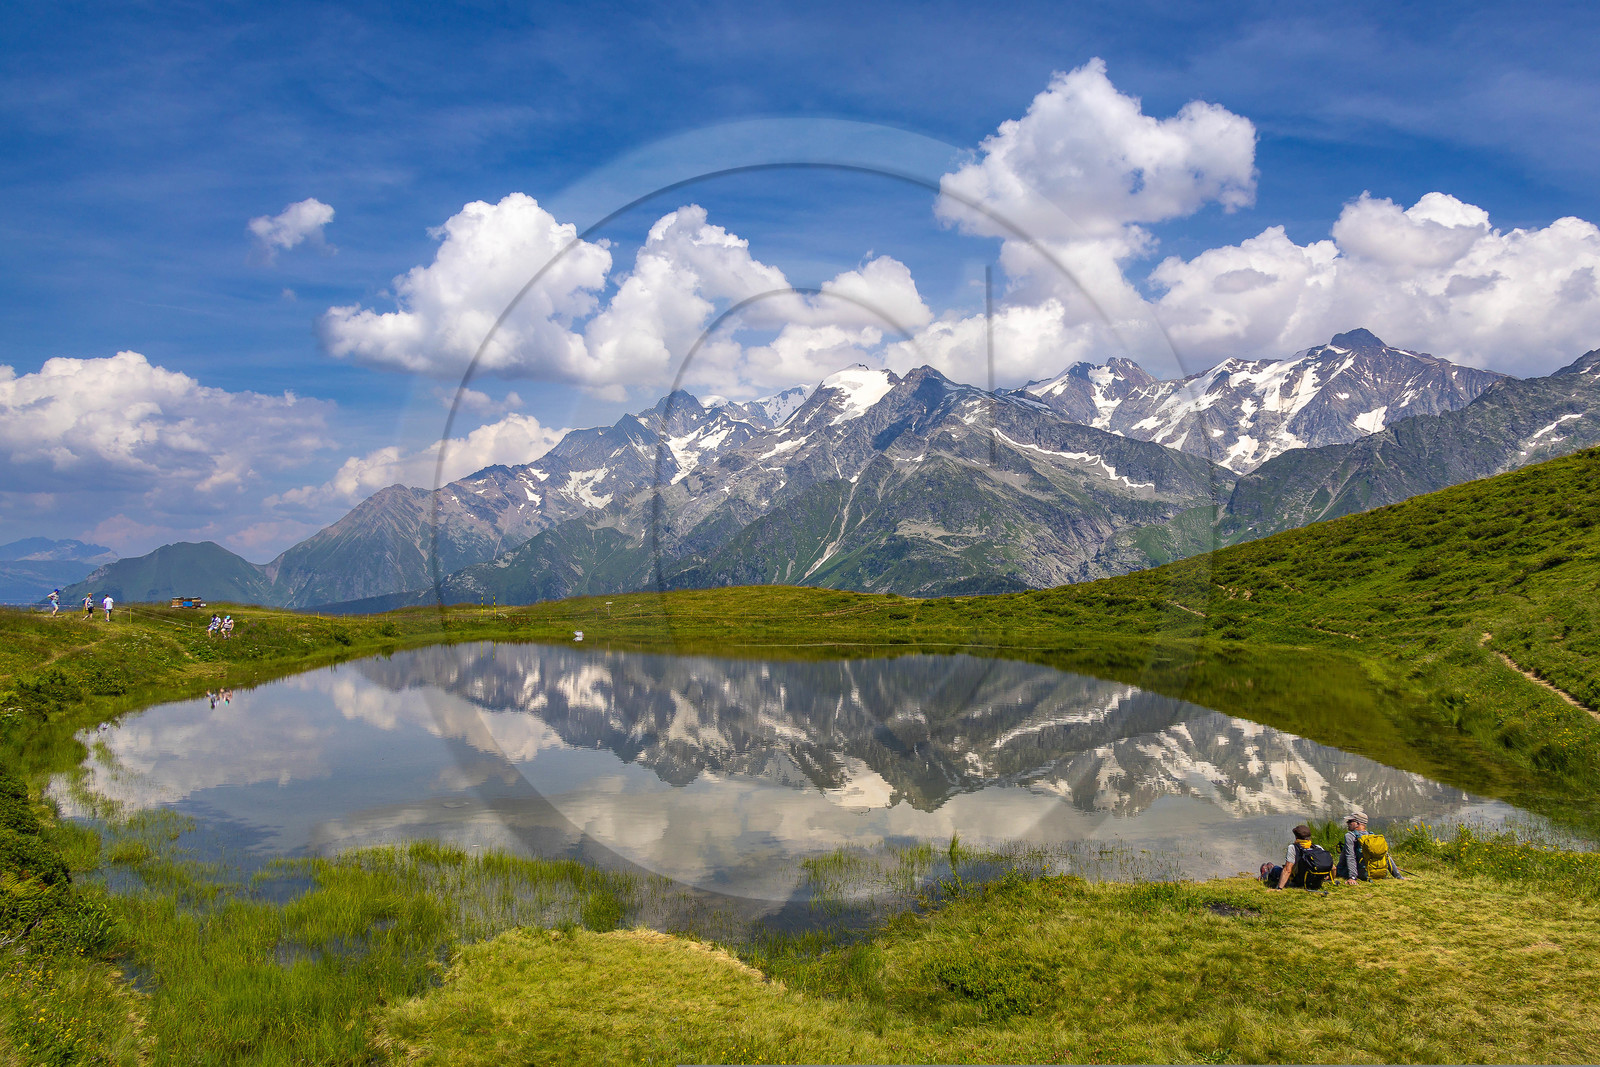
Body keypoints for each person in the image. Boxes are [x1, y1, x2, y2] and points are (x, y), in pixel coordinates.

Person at [1261, 823, 1335, 891]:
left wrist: (1279, 888)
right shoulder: (1318, 848)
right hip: (1315, 883)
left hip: (1297, 883)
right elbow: (1334, 868)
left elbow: (1287, 870)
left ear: (1296, 837)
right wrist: (1331, 880)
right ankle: (1269, 868)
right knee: (1273, 867)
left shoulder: (1293, 847)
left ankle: (1265, 874)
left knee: (1276, 869)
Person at [1338, 811, 1404, 883]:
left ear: (1357, 824)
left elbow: (1350, 857)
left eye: (1350, 821)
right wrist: (1398, 876)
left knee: (1333, 870)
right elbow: (1386, 856)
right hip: (1375, 873)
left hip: (1361, 874)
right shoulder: (1372, 836)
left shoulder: (1350, 836)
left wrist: (1352, 877)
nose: (1348, 823)